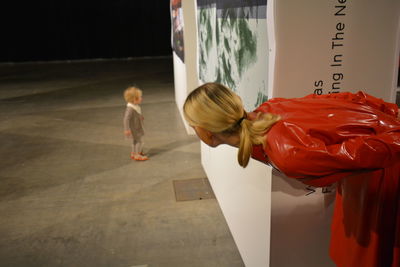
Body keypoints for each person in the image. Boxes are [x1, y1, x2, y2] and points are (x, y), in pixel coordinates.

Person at [183, 82, 400, 267]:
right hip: (368, 178)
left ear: (205, 132)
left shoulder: (288, 154)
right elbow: (348, 99)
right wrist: (392, 112)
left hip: (384, 184)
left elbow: (374, 151)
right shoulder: (270, 109)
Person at [123, 86, 149, 161]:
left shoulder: (135, 106)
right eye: (140, 97)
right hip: (134, 128)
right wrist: (126, 129)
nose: (141, 98)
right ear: (134, 99)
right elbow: (126, 119)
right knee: (139, 141)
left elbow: (137, 114)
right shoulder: (130, 109)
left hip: (136, 127)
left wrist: (140, 116)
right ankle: (137, 154)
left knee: (135, 141)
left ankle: (134, 153)